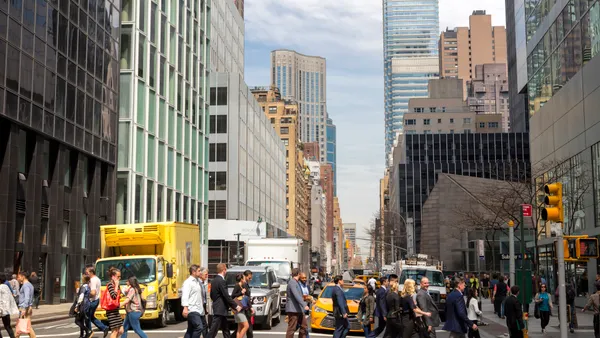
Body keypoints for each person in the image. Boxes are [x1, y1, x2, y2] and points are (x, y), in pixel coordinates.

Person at [207, 264, 241, 338]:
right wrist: (236, 306)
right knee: (213, 330)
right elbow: (226, 296)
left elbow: (212, 295)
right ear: (224, 270)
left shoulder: (214, 280)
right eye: (226, 269)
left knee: (225, 329)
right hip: (220, 308)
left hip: (218, 307)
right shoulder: (222, 281)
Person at [85, 266, 110, 338]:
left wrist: (86, 295)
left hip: (92, 301)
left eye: (87, 273)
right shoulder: (97, 279)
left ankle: (89, 332)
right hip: (96, 300)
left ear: (91, 272)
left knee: (87, 317)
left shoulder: (92, 280)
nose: (86, 274)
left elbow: (93, 292)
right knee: (91, 317)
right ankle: (104, 328)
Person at [182, 265, 205, 338]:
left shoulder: (198, 281)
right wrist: (185, 308)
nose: (200, 272)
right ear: (193, 272)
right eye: (198, 271)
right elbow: (185, 295)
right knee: (199, 327)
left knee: (190, 330)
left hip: (199, 309)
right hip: (192, 309)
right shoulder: (188, 282)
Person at [285, 268, 309, 338]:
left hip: (299, 309)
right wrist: (304, 305)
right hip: (293, 309)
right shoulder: (292, 282)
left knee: (304, 326)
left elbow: (299, 295)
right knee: (291, 328)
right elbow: (296, 295)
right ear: (298, 274)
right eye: (300, 274)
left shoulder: (297, 282)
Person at [15, 271, 36, 338]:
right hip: (27, 307)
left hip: (24, 307)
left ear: (23, 277)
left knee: (25, 327)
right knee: (24, 326)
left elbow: (27, 298)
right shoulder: (30, 285)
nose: (18, 278)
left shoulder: (26, 285)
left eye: (19, 277)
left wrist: (24, 309)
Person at [0, 273, 18, 338]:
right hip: (6, 310)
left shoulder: (0, 288)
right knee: (8, 326)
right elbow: (10, 299)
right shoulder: (6, 287)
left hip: (1, 309)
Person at [298, 273, 312, 337]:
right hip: (300, 308)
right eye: (303, 278)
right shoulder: (298, 286)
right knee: (304, 326)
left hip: (306, 308)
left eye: (305, 278)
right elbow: (299, 296)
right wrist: (307, 297)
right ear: (300, 278)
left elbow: (308, 296)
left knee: (302, 326)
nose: (304, 279)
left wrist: (310, 299)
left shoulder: (307, 286)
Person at [243, 270, 254, 338]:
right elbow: (246, 297)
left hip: (246, 307)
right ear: (245, 276)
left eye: (251, 278)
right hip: (245, 308)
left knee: (244, 326)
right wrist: (250, 307)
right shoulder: (244, 285)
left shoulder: (246, 284)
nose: (250, 279)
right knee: (248, 326)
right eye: (249, 278)